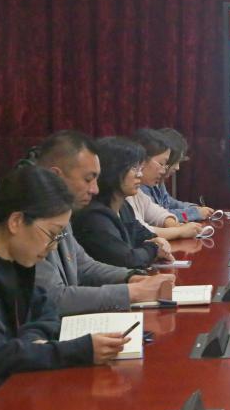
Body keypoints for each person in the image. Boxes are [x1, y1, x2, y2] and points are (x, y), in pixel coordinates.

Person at [0, 167, 131, 410]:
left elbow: (47, 312)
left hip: (9, 400)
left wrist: (29, 341)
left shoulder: (19, 262)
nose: (53, 246)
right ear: (16, 221)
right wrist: (79, 350)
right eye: (52, 233)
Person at [34, 131, 174, 314]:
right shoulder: (30, 220)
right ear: (55, 176)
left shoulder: (62, 212)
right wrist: (132, 292)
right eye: (87, 179)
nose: (95, 189)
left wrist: (131, 278)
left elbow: (85, 267)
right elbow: (54, 298)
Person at [72, 137, 173, 269]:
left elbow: (143, 235)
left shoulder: (123, 206)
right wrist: (154, 249)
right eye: (134, 168)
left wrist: (158, 241)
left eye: (140, 168)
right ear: (113, 170)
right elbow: (127, 260)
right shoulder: (93, 216)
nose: (140, 175)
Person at [127, 129, 202, 240]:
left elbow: (157, 211)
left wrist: (171, 222)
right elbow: (140, 231)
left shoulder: (138, 192)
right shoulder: (128, 192)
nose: (163, 170)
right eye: (162, 164)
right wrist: (180, 231)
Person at [141, 128, 214, 221]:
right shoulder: (141, 184)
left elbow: (168, 203)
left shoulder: (156, 180)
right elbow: (157, 216)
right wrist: (194, 213)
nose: (177, 168)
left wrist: (193, 208)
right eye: (162, 163)